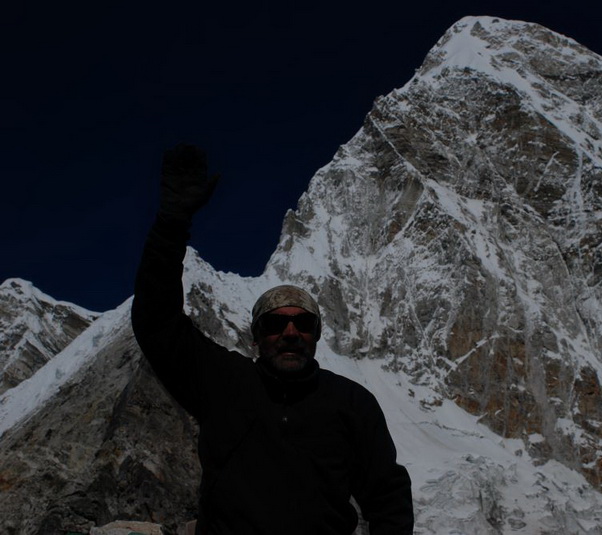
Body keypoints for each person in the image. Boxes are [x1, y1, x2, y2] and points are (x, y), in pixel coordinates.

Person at [131, 144, 414, 534]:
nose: (290, 333)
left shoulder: (352, 404)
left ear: (316, 335)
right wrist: (171, 224)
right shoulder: (222, 383)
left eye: (303, 323)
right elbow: (156, 323)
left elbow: (387, 495)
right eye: (275, 324)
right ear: (256, 336)